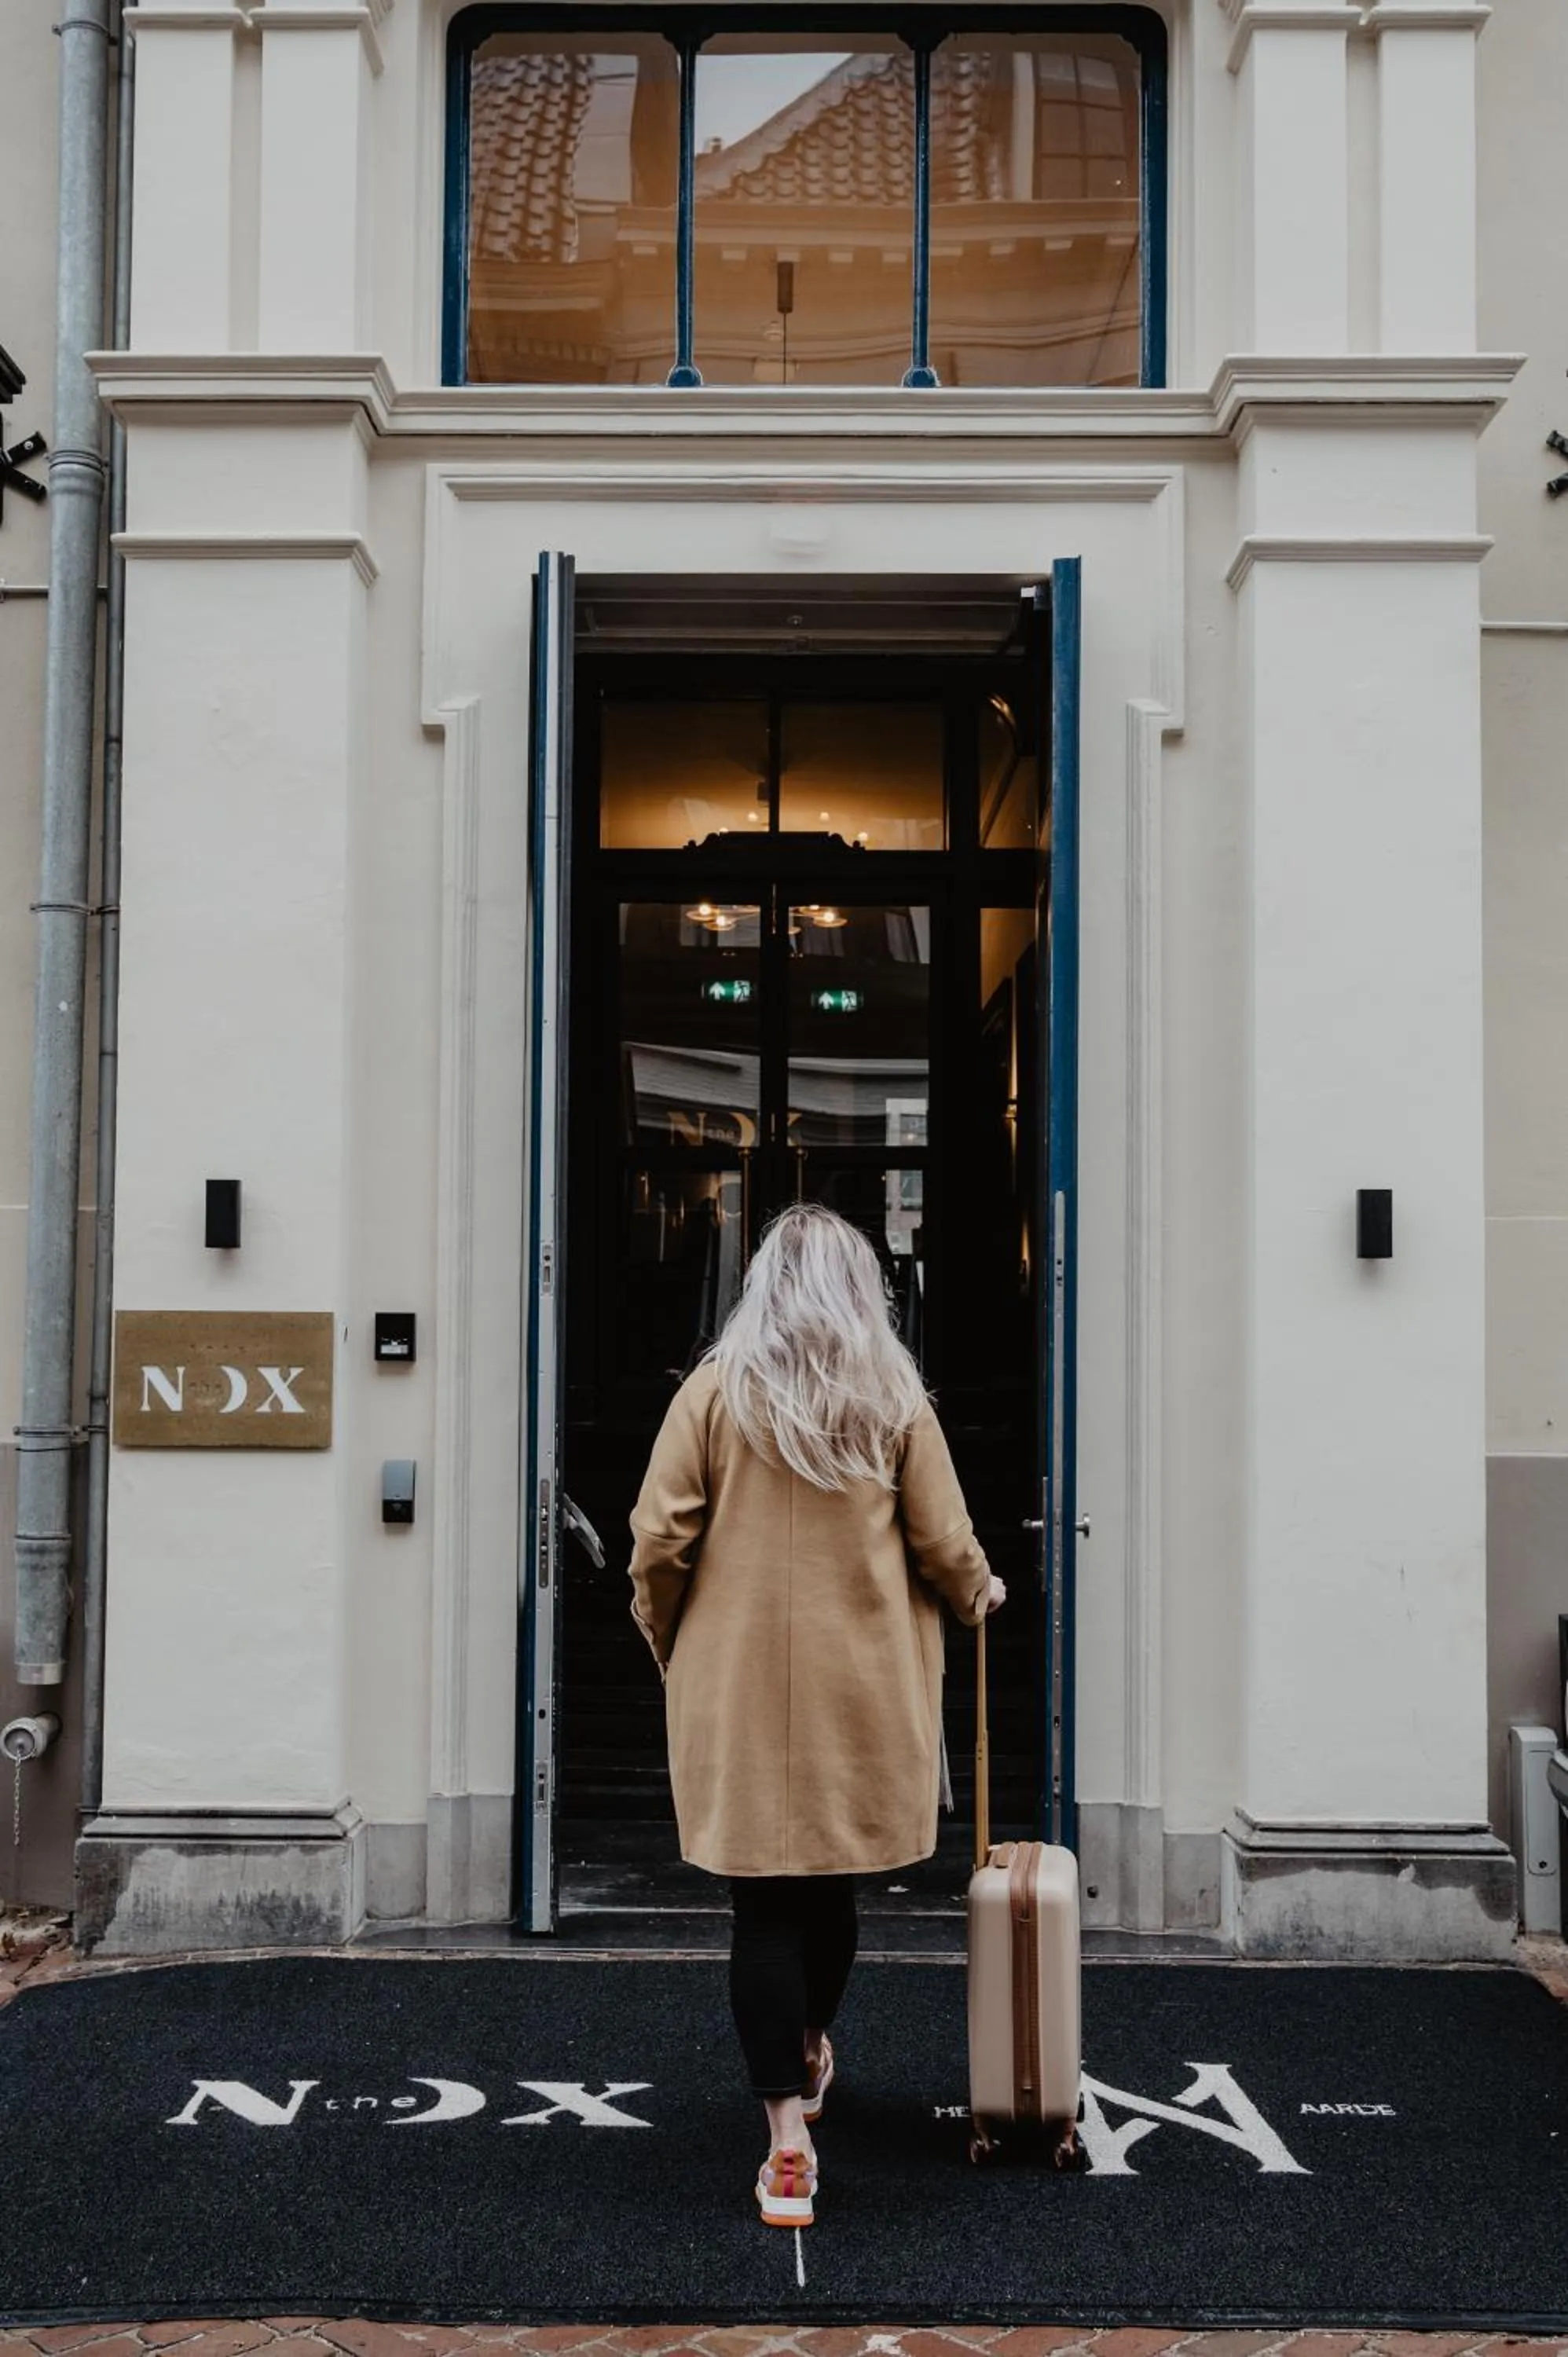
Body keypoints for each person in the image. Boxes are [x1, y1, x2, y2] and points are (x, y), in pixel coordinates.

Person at [628, 1201, 1006, 2228]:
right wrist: (979, 1591)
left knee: (762, 1908)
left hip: (742, 1685)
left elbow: (658, 1540)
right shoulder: (892, 1400)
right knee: (832, 1896)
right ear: (858, 1289)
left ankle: (785, 2141)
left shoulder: (713, 1393)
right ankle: (804, 2049)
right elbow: (944, 1537)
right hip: (861, 1686)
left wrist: (675, 1644)